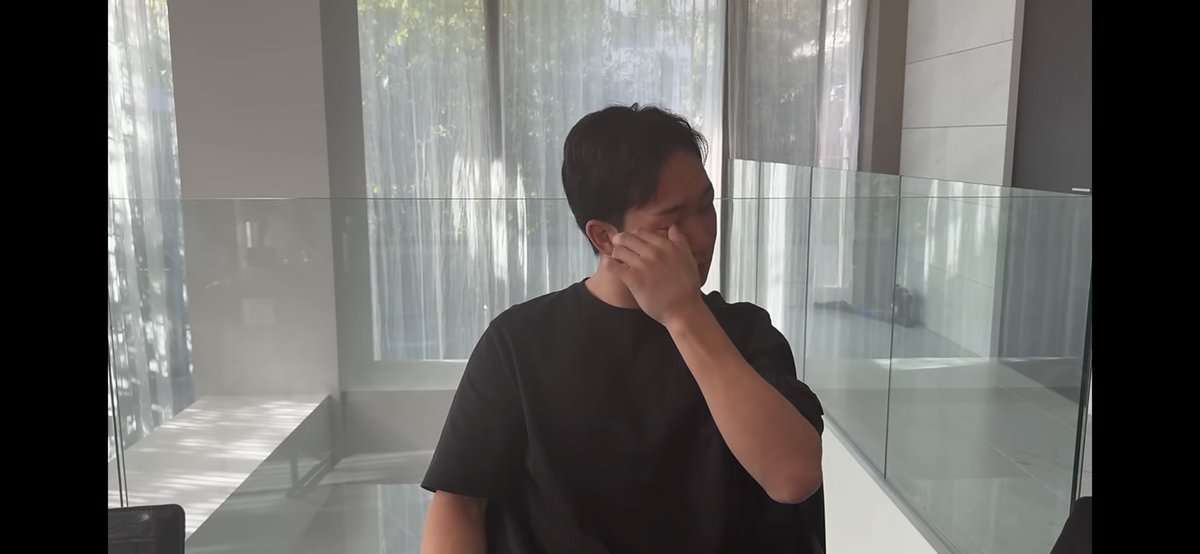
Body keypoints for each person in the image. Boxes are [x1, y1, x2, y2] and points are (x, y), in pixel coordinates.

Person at [420, 104, 825, 553]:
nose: (702, 234)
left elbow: (793, 476)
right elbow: (458, 504)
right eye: (672, 220)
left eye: (706, 206)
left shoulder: (745, 333)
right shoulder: (520, 341)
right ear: (605, 237)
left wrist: (683, 314)